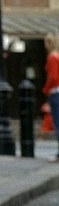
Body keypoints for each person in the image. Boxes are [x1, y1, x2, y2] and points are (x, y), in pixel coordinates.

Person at [42, 33, 59, 161]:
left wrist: (46, 89)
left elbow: (53, 77)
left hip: (55, 92)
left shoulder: (52, 57)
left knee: (57, 122)